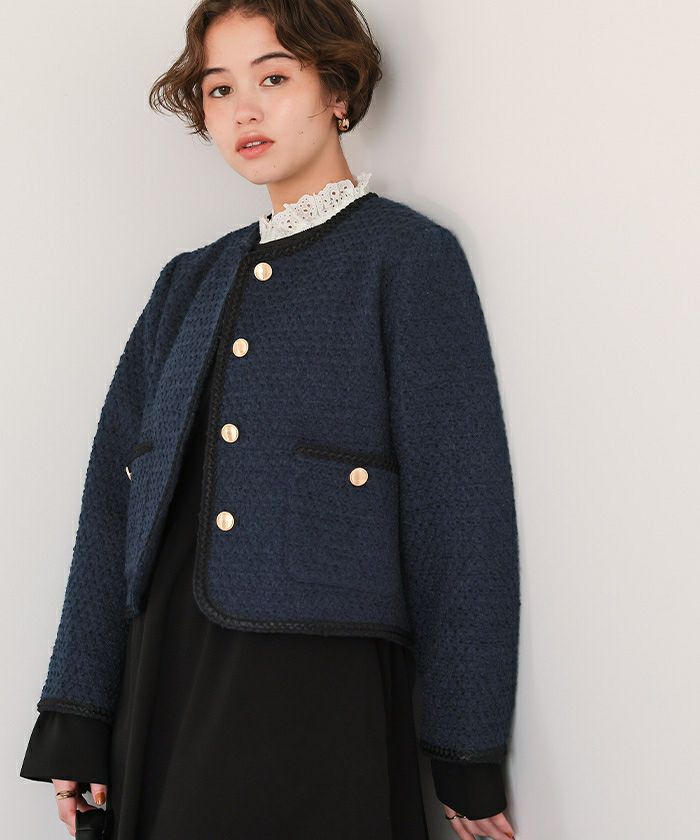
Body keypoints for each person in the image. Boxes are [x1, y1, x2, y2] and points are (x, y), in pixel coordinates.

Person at [19, 2, 520, 839]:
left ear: (337, 91)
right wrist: (81, 713)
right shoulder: (184, 284)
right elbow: (113, 503)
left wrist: (467, 747)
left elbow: (459, 512)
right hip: (166, 683)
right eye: (220, 89)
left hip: (318, 694)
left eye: (274, 78)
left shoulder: (406, 259)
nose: (244, 109)